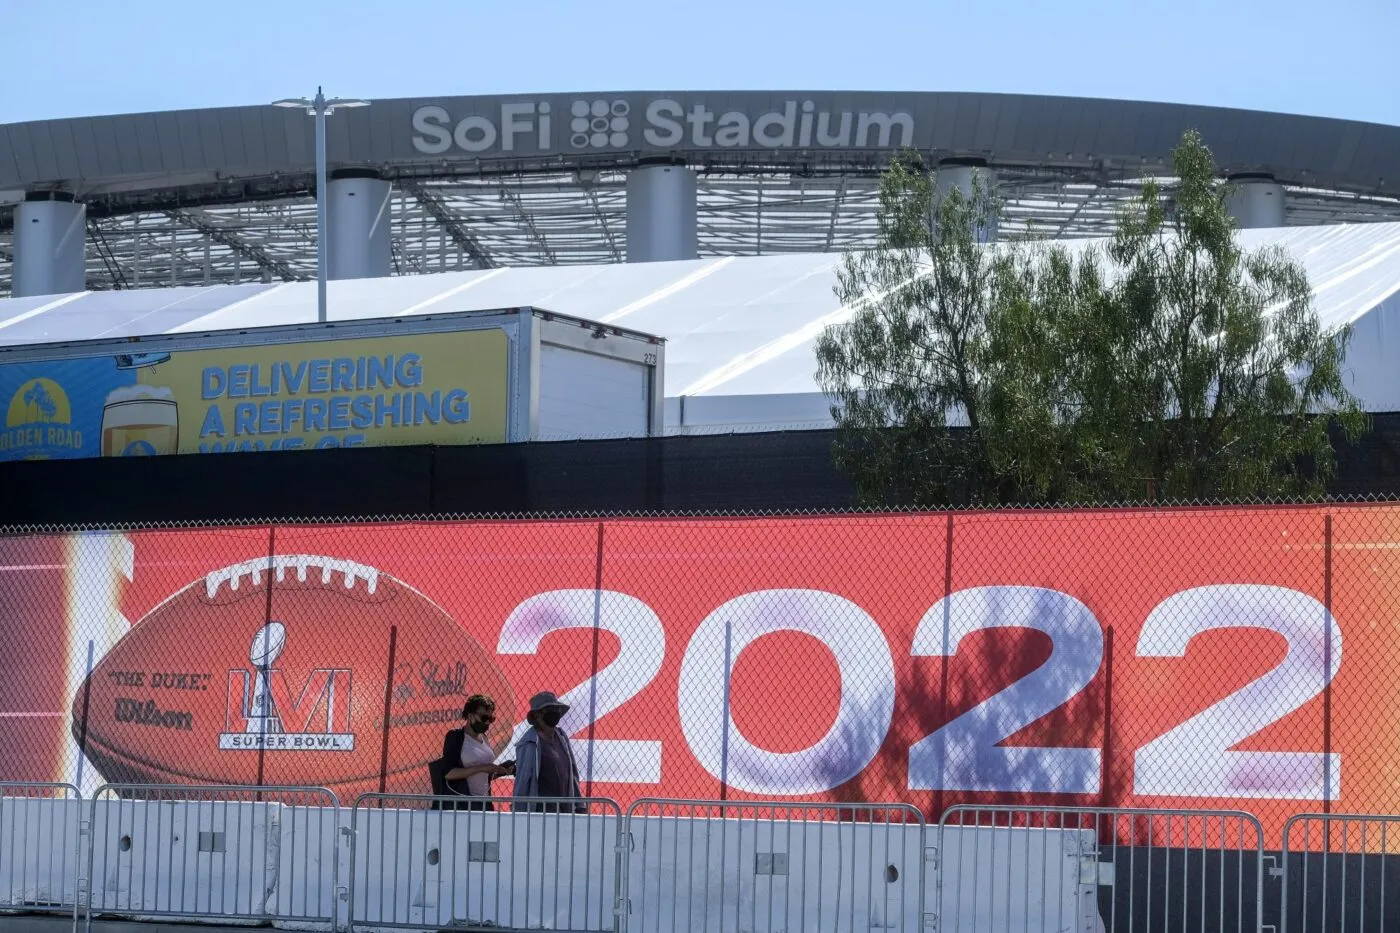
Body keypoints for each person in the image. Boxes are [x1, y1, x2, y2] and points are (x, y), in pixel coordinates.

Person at [512, 691, 584, 813]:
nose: (555, 713)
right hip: (540, 812)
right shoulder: (529, 743)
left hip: (564, 809)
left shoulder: (561, 737)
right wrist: (520, 813)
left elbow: (572, 773)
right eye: (550, 709)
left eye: (556, 709)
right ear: (538, 715)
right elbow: (523, 782)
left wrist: (580, 805)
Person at [439, 694, 513, 810]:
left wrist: (501, 770)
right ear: (470, 716)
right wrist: (482, 768)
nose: (488, 722)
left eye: (491, 719)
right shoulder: (456, 737)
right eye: (484, 718)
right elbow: (449, 774)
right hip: (462, 803)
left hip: (485, 803)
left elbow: (483, 775)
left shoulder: (484, 738)